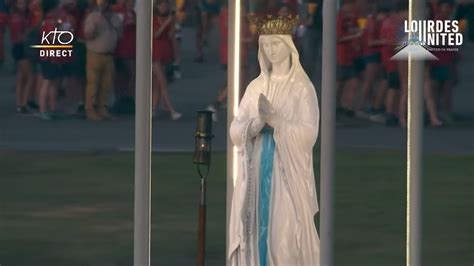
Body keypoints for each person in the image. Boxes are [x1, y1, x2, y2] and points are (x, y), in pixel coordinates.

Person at [228, 15, 320, 266]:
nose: (271, 51)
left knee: (284, 234)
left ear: (288, 44)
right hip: (256, 170)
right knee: (254, 228)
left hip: (286, 173)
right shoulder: (256, 87)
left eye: (275, 44)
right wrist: (255, 125)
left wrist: (277, 121)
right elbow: (235, 130)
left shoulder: (302, 88)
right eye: (266, 46)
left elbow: (309, 133)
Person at [83, 0, 122, 121]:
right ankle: (90, 109)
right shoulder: (93, 16)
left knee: (106, 84)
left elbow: (120, 34)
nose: (106, 5)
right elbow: (87, 34)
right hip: (95, 53)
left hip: (109, 55)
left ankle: (102, 108)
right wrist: (95, 24)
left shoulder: (116, 18)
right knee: (93, 83)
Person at [152, 0, 181, 120]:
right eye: (161, 5)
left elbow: (171, 36)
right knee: (162, 81)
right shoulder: (153, 19)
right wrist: (167, 23)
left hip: (165, 51)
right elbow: (155, 34)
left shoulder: (169, 19)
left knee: (157, 84)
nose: (164, 7)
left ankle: (153, 109)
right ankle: (171, 109)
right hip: (155, 52)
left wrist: (172, 23)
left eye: (165, 4)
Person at [36, 0, 62, 120]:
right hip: (49, 55)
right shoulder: (51, 22)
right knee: (47, 82)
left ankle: (51, 108)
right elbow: (51, 38)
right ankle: (43, 110)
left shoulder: (44, 20)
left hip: (48, 54)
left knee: (51, 82)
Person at [336, 0, 361, 117]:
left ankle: (347, 106)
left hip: (351, 55)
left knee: (353, 82)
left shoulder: (354, 17)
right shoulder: (339, 18)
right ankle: (336, 106)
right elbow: (338, 38)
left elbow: (357, 32)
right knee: (339, 84)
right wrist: (354, 36)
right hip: (340, 55)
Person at [9, 0, 34, 114]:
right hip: (21, 47)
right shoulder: (18, 18)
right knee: (29, 77)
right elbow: (21, 35)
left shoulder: (19, 16)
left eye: (24, 3)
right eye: (20, 3)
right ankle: (24, 103)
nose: (23, 5)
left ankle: (19, 104)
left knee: (21, 78)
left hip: (17, 47)